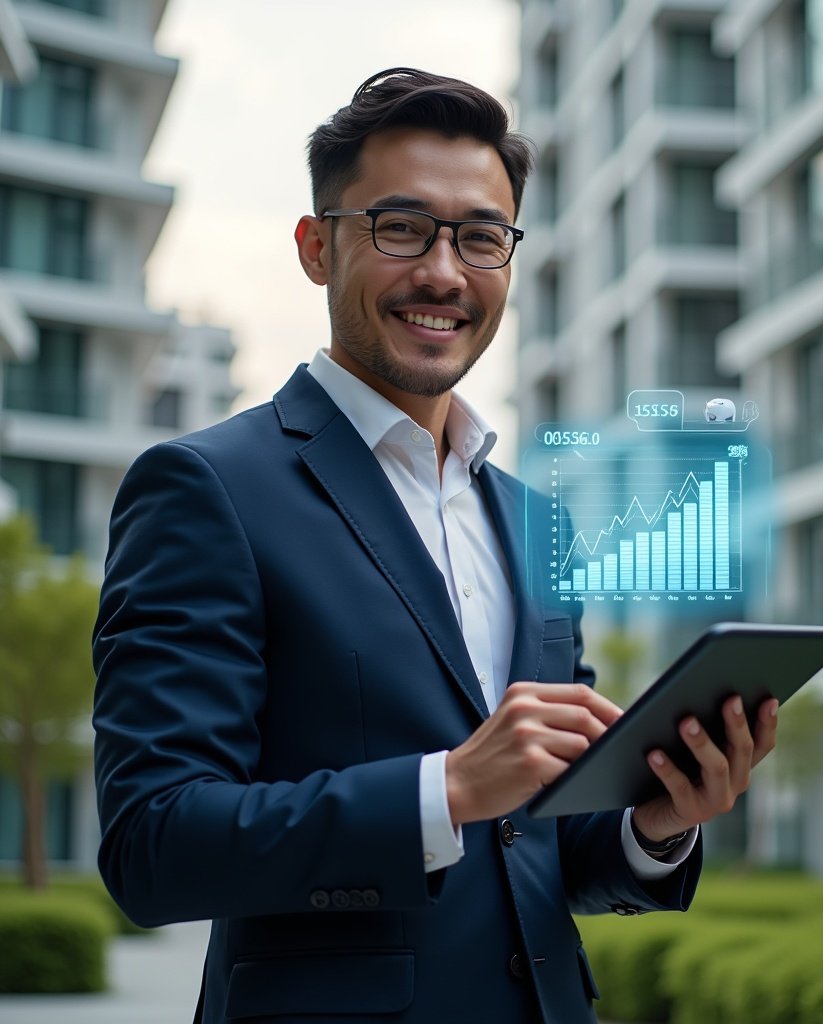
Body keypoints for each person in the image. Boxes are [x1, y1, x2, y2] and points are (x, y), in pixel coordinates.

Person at [92, 68, 778, 1024]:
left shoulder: (538, 519)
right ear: (316, 247)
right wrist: (445, 788)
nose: (445, 273)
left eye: (481, 237)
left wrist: (654, 825)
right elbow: (152, 847)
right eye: (402, 228)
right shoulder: (208, 488)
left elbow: (532, 848)